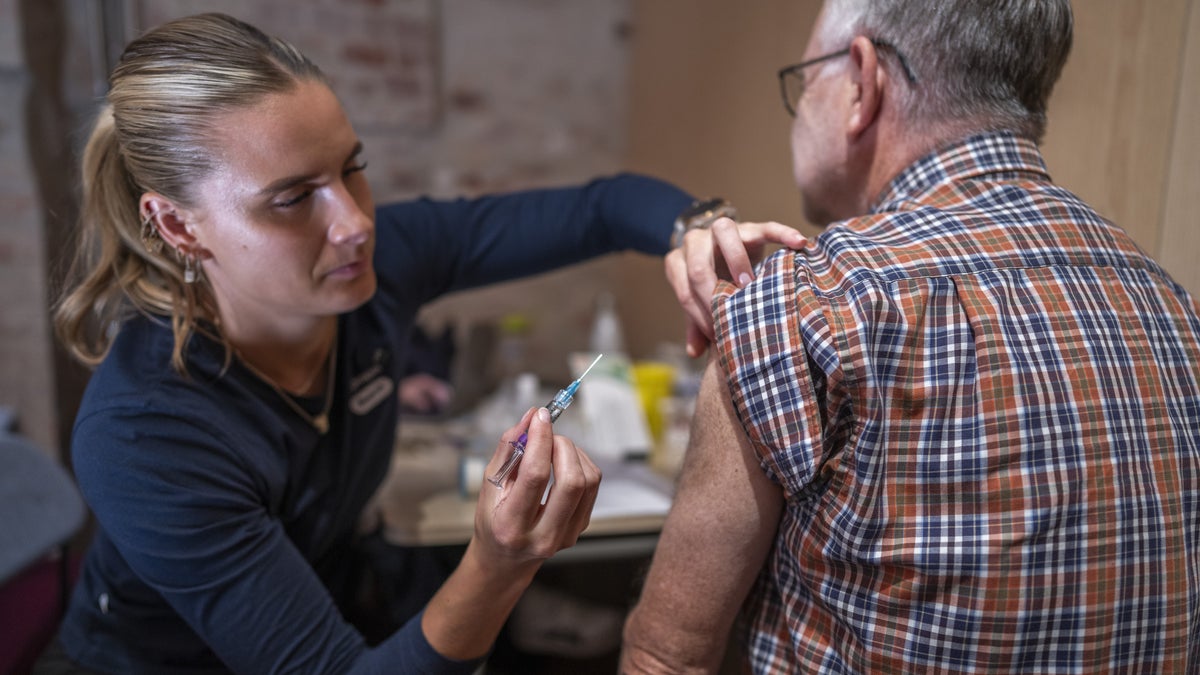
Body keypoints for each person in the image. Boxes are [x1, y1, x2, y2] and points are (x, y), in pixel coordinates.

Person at [41, 13, 799, 675]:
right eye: (294, 198)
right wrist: (499, 563)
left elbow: (603, 207)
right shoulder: (143, 433)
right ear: (177, 226)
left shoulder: (374, 264)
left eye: (353, 169)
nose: (355, 222)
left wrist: (698, 229)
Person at [625, 0, 1200, 673]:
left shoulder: (803, 303)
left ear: (863, 82)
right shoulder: (1173, 306)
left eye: (807, 79)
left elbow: (667, 657)